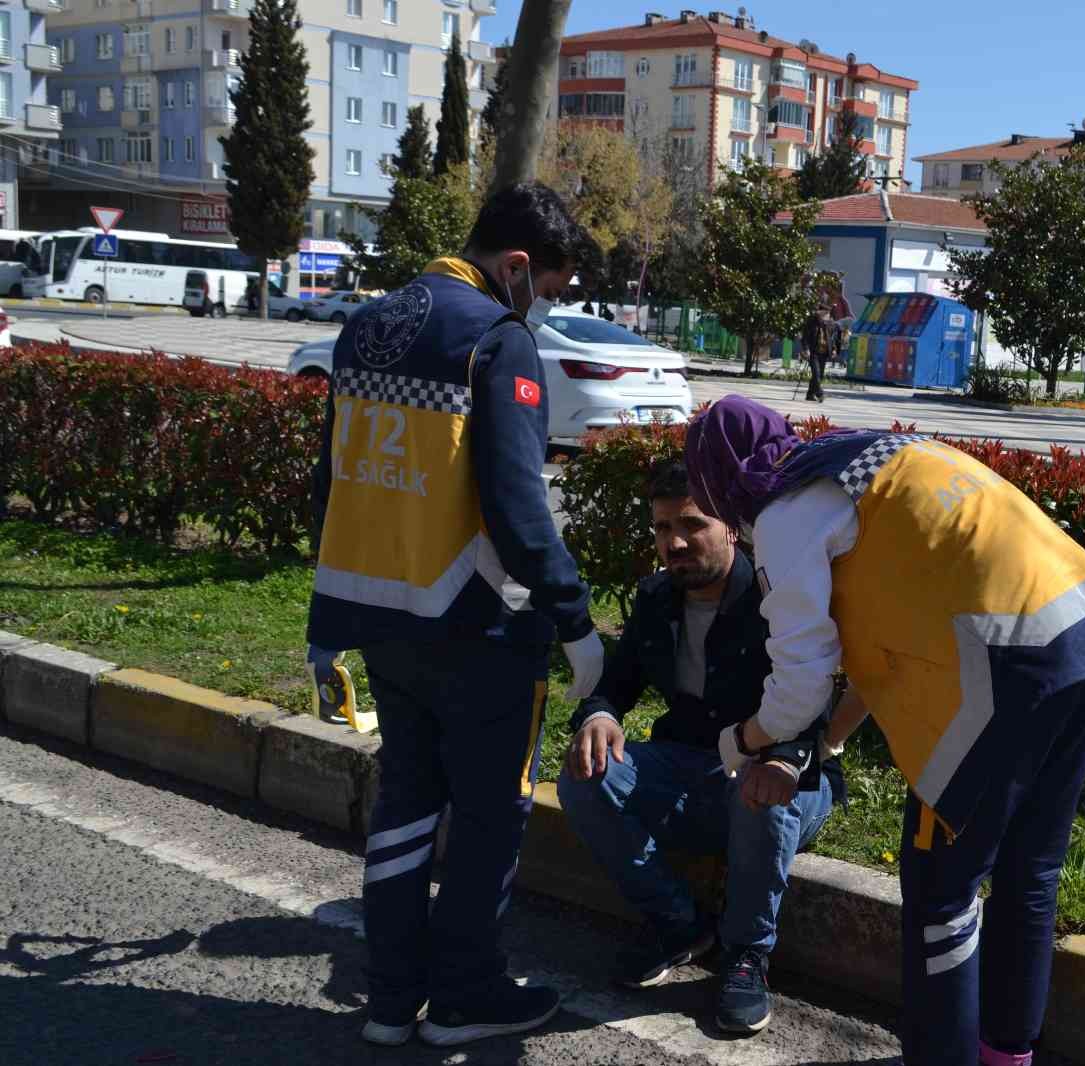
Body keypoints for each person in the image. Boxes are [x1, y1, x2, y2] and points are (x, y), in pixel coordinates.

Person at [683, 397, 1085, 1066]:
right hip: (1080, 628)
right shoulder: (863, 458)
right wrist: (815, 750)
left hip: (1003, 665)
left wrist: (743, 741)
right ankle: (1007, 1056)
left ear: (715, 478)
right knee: (1030, 871)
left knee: (940, 888)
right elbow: (869, 659)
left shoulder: (784, 514)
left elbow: (800, 682)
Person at [306, 182, 607, 1049]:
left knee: (404, 804)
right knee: (487, 814)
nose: (545, 308)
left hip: (381, 612)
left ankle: (392, 1000)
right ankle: (467, 994)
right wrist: (577, 623)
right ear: (515, 267)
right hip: (479, 627)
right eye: (547, 290)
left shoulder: (366, 325)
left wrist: (333, 610)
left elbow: (331, 481)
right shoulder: (496, 341)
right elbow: (518, 509)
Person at [557, 460, 839, 1034]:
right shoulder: (657, 596)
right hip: (688, 769)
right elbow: (619, 680)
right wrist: (602, 715)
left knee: (761, 789)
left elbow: (820, 705)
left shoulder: (776, 598)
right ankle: (679, 924)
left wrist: (785, 758)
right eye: (661, 528)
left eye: (691, 524)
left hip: (787, 775)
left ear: (731, 526)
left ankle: (746, 956)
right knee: (584, 775)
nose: (674, 542)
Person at [801, 304, 831, 402]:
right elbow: (804, 337)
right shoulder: (811, 322)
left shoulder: (826, 324)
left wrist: (833, 349)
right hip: (813, 352)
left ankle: (810, 394)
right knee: (816, 373)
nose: (827, 315)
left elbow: (829, 339)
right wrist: (806, 349)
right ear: (819, 312)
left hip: (823, 353)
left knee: (819, 375)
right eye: (825, 313)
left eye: (827, 313)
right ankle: (820, 393)